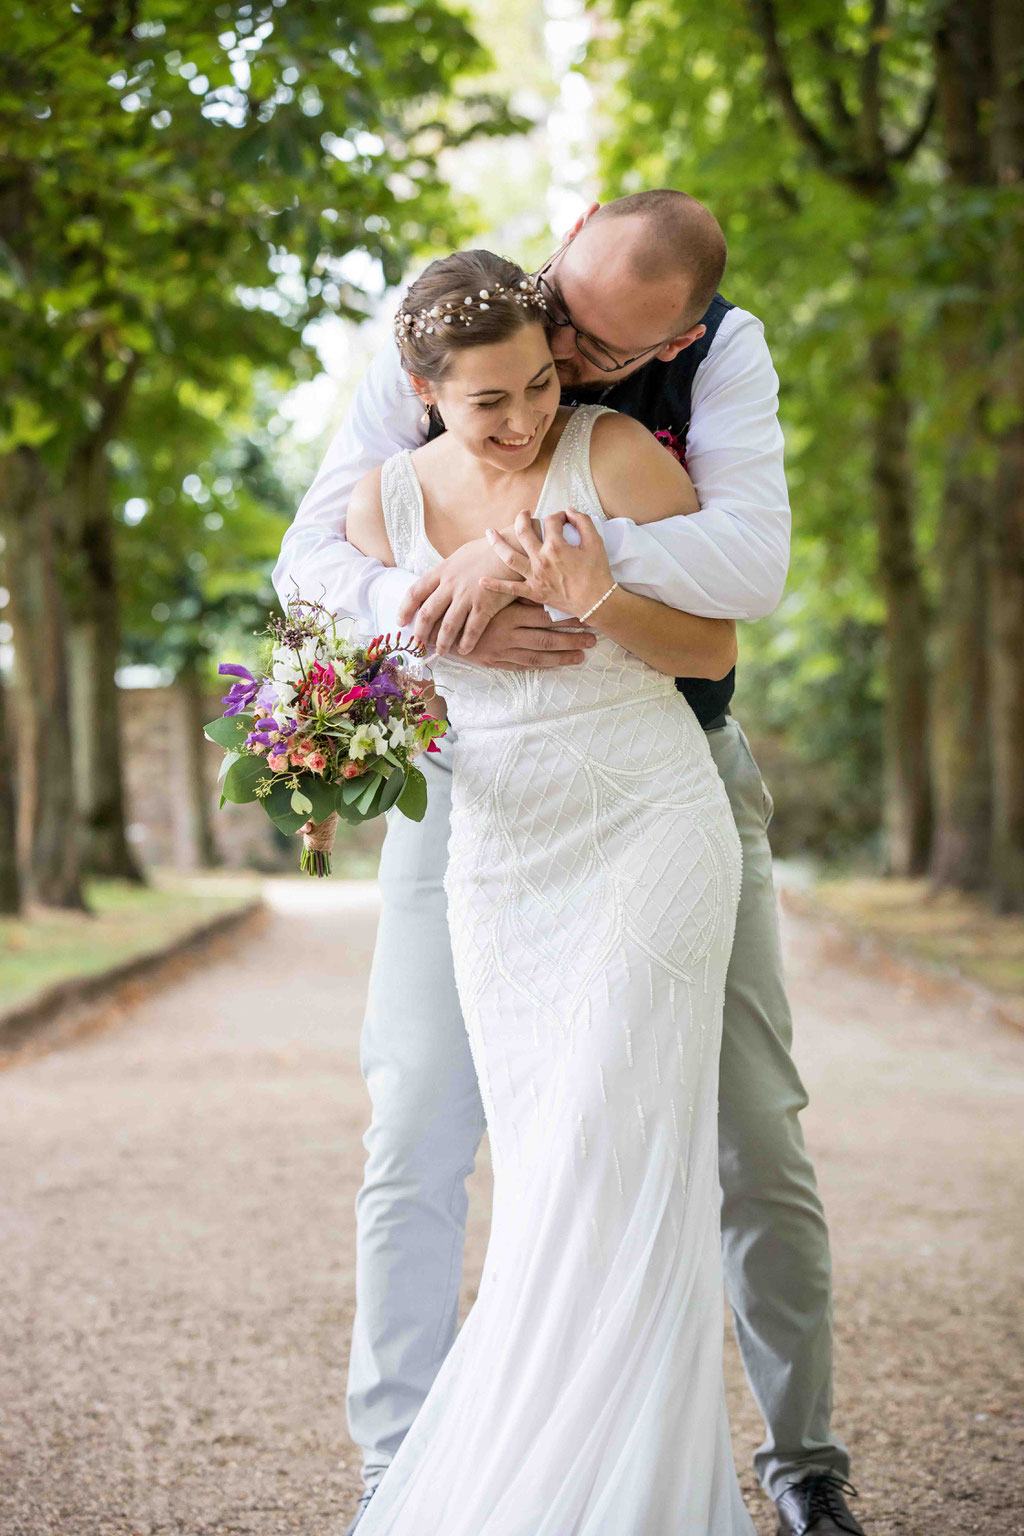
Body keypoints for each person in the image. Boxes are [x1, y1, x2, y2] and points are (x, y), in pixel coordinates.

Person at [273, 192, 864, 1536]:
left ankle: (803, 1459)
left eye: (588, 359)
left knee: (752, 1128)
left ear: (685, 329)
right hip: (474, 803)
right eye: (559, 326)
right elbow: (312, 556)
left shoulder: (714, 364)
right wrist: (426, 604)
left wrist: (534, 556)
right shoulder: (452, 325)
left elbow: (749, 569)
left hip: (663, 781)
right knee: (417, 1117)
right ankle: (407, 1457)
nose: (563, 372)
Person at [345, 246, 750, 1533]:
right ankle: (523, 1481)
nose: (523, 422)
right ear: (422, 391)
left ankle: (636, 1495)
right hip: (503, 861)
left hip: (648, 829)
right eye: (487, 404)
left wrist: (601, 595)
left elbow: (717, 643)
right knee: (540, 1165)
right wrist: (411, 650)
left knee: (615, 1153)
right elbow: (374, 681)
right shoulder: (382, 513)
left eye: (535, 386)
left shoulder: (616, 456)